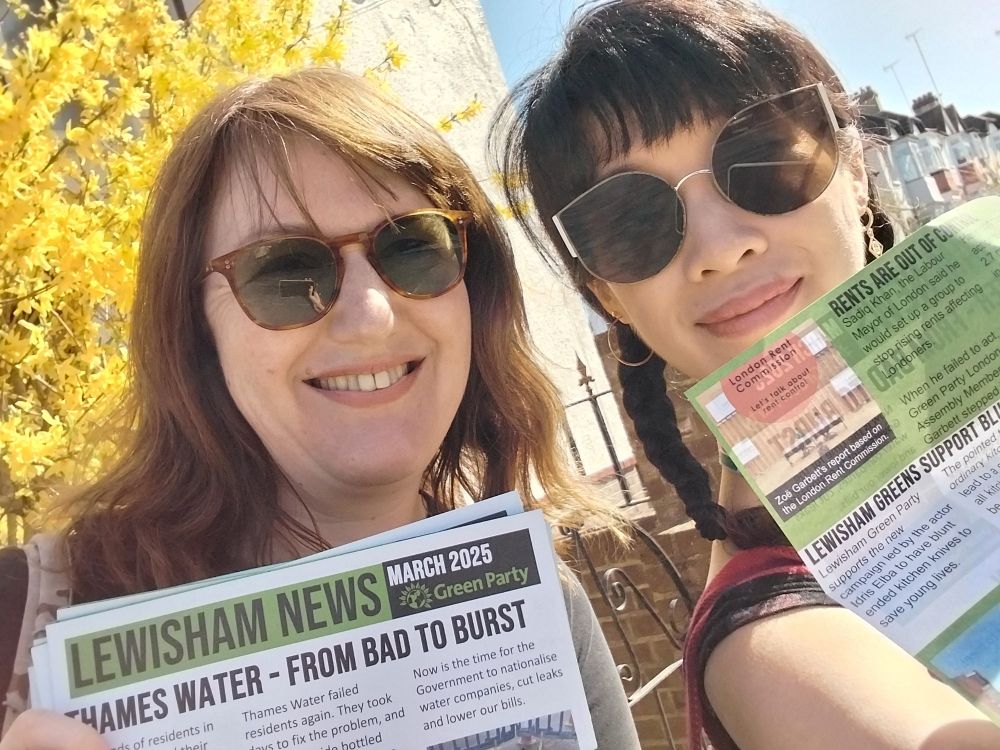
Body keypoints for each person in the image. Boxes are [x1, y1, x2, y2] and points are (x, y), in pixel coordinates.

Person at [0, 68, 639, 748]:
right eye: (284, 271)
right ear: (197, 335)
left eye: (413, 247)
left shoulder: (544, 610)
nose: (369, 316)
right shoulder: (21, 618)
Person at [492, 1, 1000, 748]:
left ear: (854, 170)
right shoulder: (770, 648)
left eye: (761, 158)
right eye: (629, 221)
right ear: (607, 296)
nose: (720, 246)